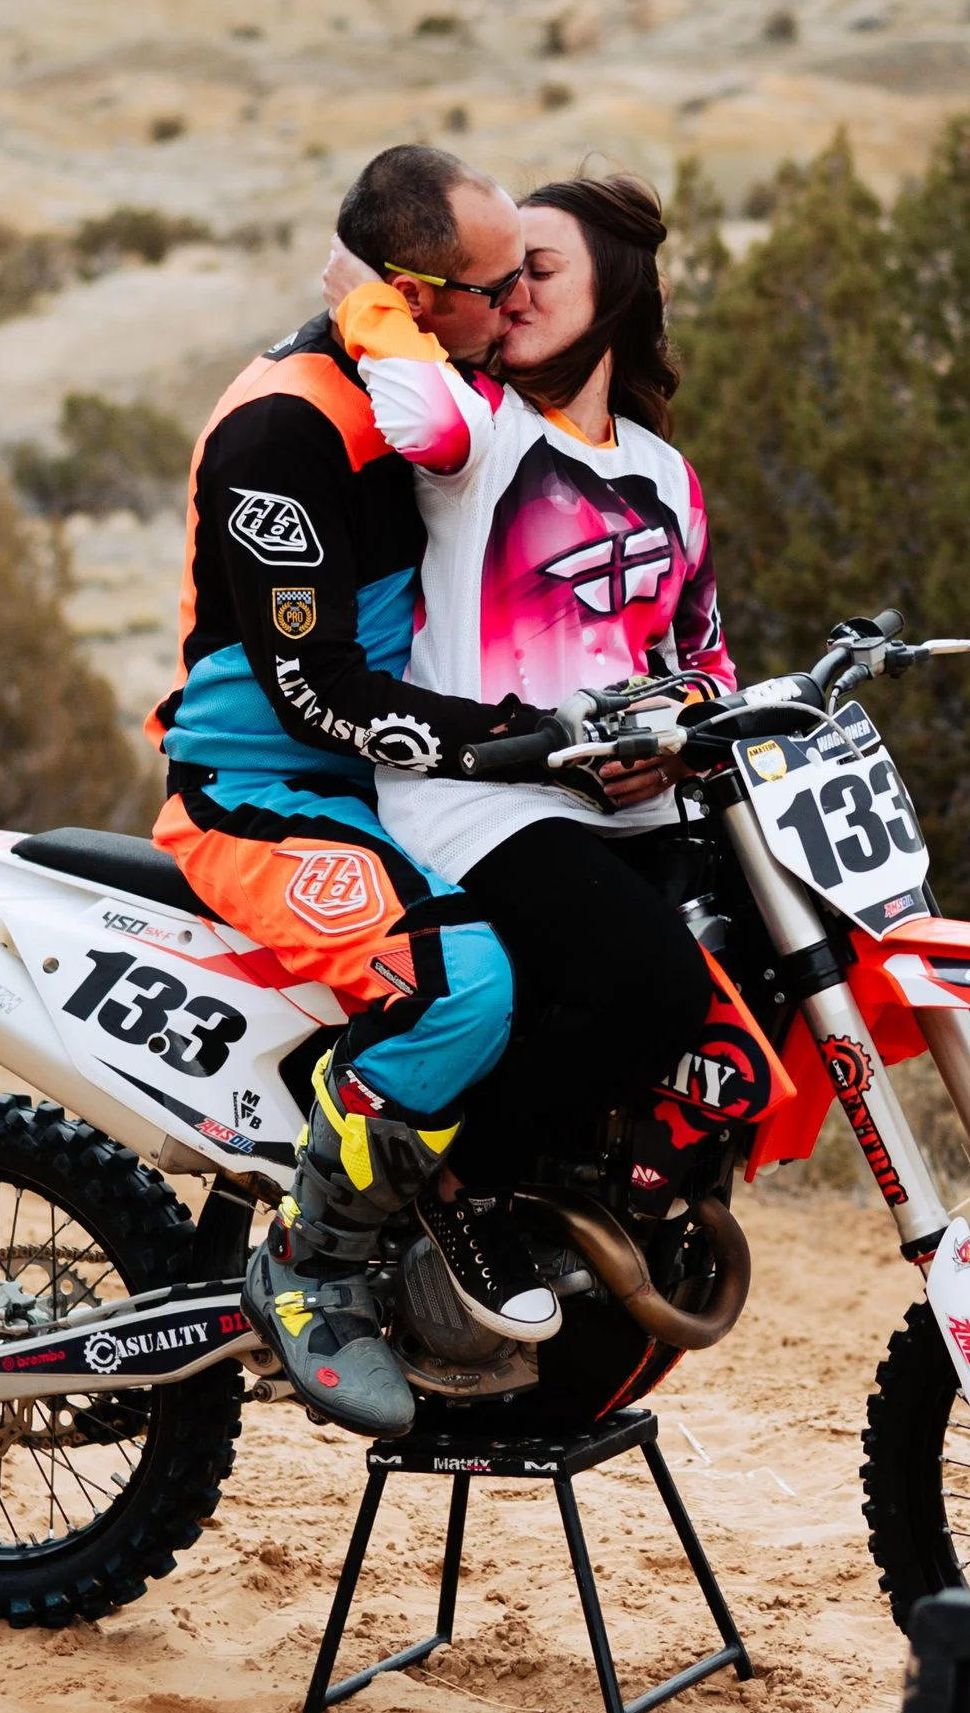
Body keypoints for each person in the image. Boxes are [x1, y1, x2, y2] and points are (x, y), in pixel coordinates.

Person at [147, 143, 559, 1437]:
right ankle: (316, 1265)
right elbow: (313, 692)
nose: (519, 307)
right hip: (264, 787)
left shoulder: (436, 395)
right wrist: (514, 740)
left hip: (394, 777)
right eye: (497, 287)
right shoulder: (288, 427)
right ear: (418, 293)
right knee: (463, 981)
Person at [326, 168, 778, 1232]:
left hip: (620, 806)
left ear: (617, 288)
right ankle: (451, 1201)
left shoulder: (668, 475)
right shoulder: (480, 432)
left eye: (538, 270)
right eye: (497, 278)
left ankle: (611, 1186)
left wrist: (672, 753)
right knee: (652, 987)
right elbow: (415, 403)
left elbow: (705, 661)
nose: (511, 295)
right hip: (482, 795)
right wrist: (366, 292)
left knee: (772, 941)